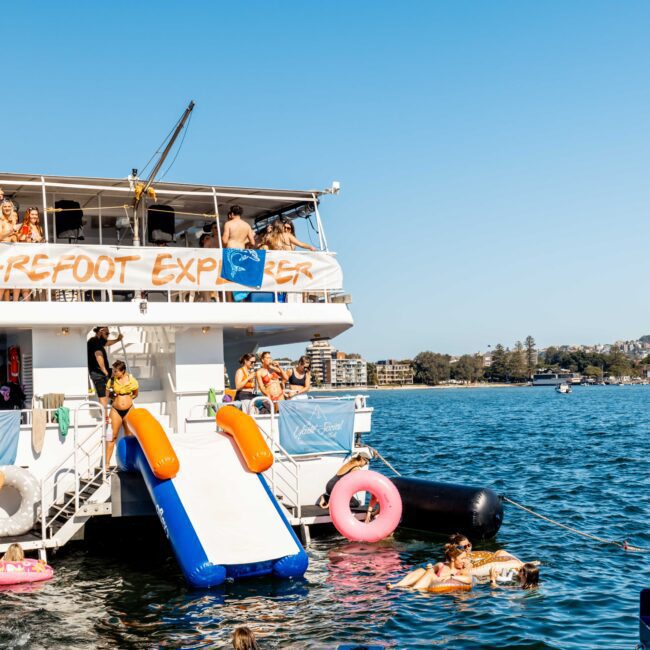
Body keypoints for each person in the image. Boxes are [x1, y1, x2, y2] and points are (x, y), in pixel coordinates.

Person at [386, 543, 472, 591]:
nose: (464, 561)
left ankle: (412, 589)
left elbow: (469, 580)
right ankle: (396, 585)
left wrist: (451, 576)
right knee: (421, 570)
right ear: (453, 558)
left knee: (430, 574)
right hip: (425, 585)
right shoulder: (441, 565)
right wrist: (429, 568)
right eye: (462, 558)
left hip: (434, 593)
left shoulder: (461, 570)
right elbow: (428, 572)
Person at [105, 360, 139, 463]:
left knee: (129, 437)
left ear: (122, 371)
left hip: (129, 410)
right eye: (114, 371)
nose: (114, 373)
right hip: (115, 410)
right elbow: (107, 395)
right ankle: (106, 463)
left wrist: (126, 400)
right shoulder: (111, 381)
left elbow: (135, 394)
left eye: (116, 371)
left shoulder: (132, 381)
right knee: (112, 436)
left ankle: (129, 462)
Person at [87, 327, 124, 417]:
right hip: (98, 374)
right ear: (100, 332)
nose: (108, 336)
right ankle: (105, 417)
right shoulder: (94, 342)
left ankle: (113, 396)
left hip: (102, 372)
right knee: (102, 396)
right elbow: (98, 356)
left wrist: (118, 340)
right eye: (107, 334)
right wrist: (105, 371)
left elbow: (107, 343)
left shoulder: (97, 341)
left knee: (120, 373)